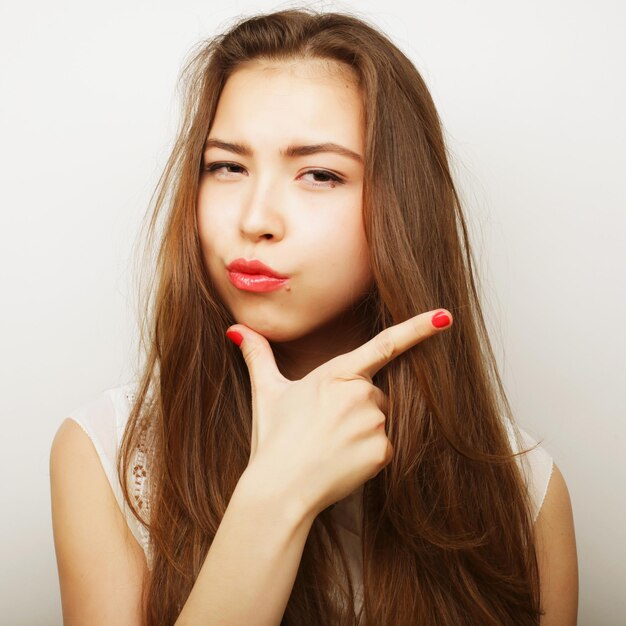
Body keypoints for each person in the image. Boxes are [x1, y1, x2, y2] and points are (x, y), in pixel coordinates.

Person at [49, 8, 578, 625]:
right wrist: (279, 492)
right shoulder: (109, 454)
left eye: (320, 174)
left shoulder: (525, 491)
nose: (255, 218)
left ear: (401, 208)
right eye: (226, 166)